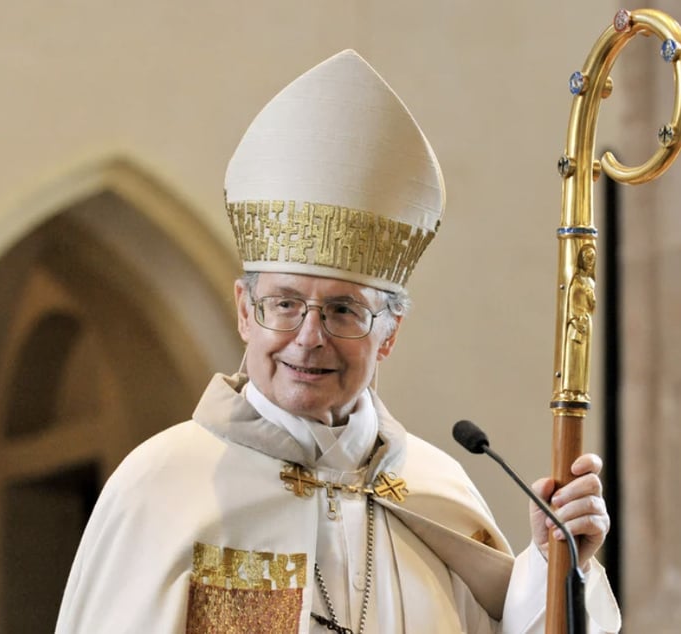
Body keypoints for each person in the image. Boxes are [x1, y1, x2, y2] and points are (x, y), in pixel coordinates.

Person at [56, 49, 621, 633]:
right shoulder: (162, 488)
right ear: (245, 313)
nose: (309, 338)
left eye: (343, 310)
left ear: (390, 333)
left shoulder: (437, 490)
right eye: (284, 304)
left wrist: (557, 570)